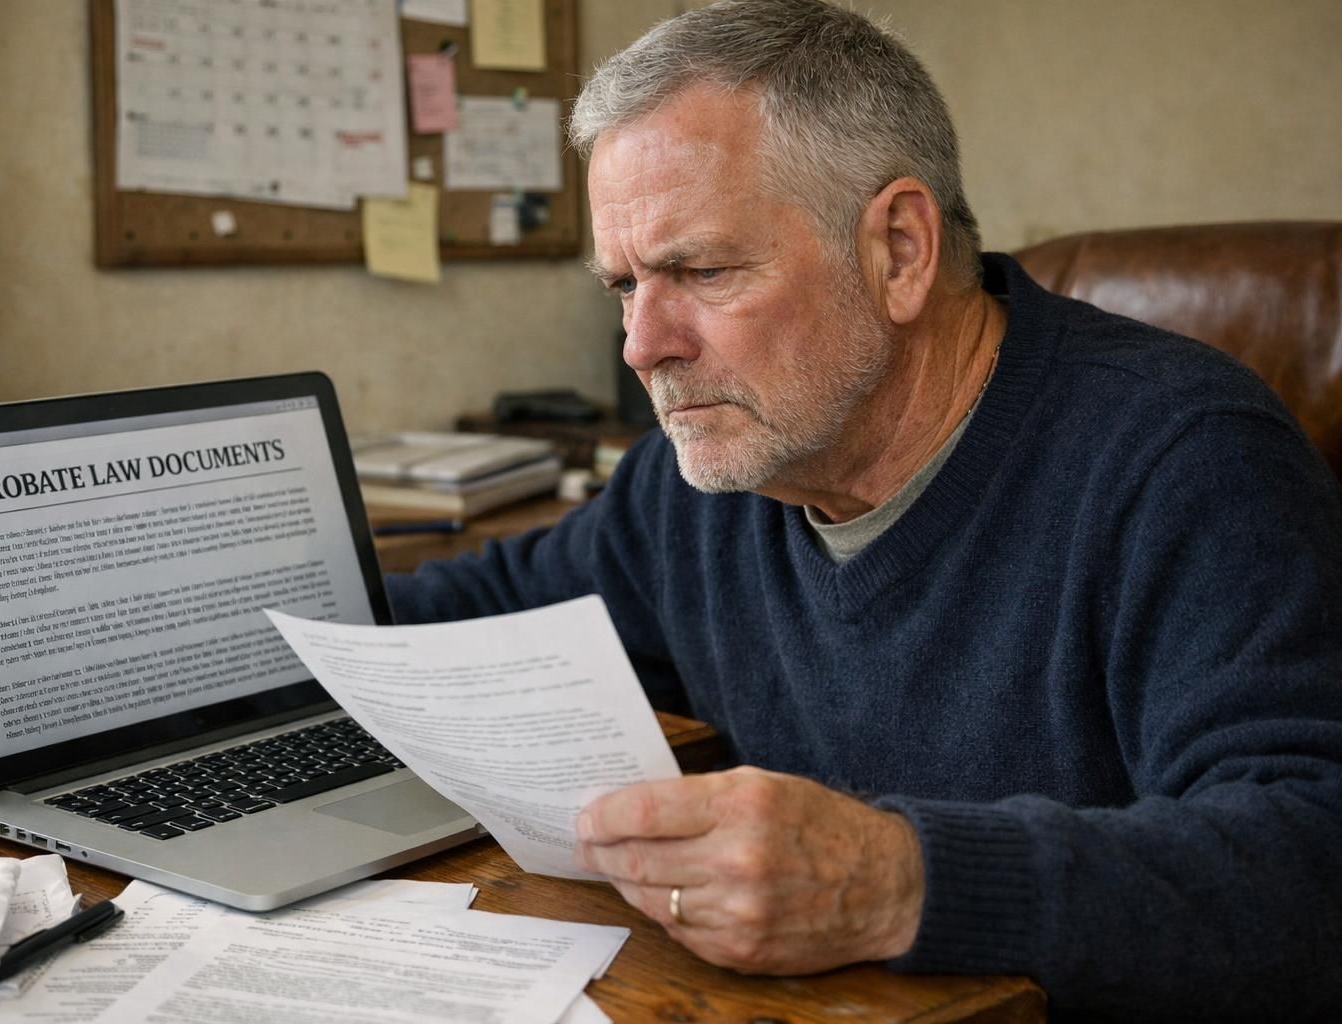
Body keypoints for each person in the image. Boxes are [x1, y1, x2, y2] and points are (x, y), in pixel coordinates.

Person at [386, 1, 1342, 1019]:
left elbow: (1309, 856)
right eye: (624, 284)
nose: (641, 344)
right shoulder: (703, 484)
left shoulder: (1182, 458)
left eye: (701, 271)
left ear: (898, 249)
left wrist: (898, 880)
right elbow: (471, 612)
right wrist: (224, 622)